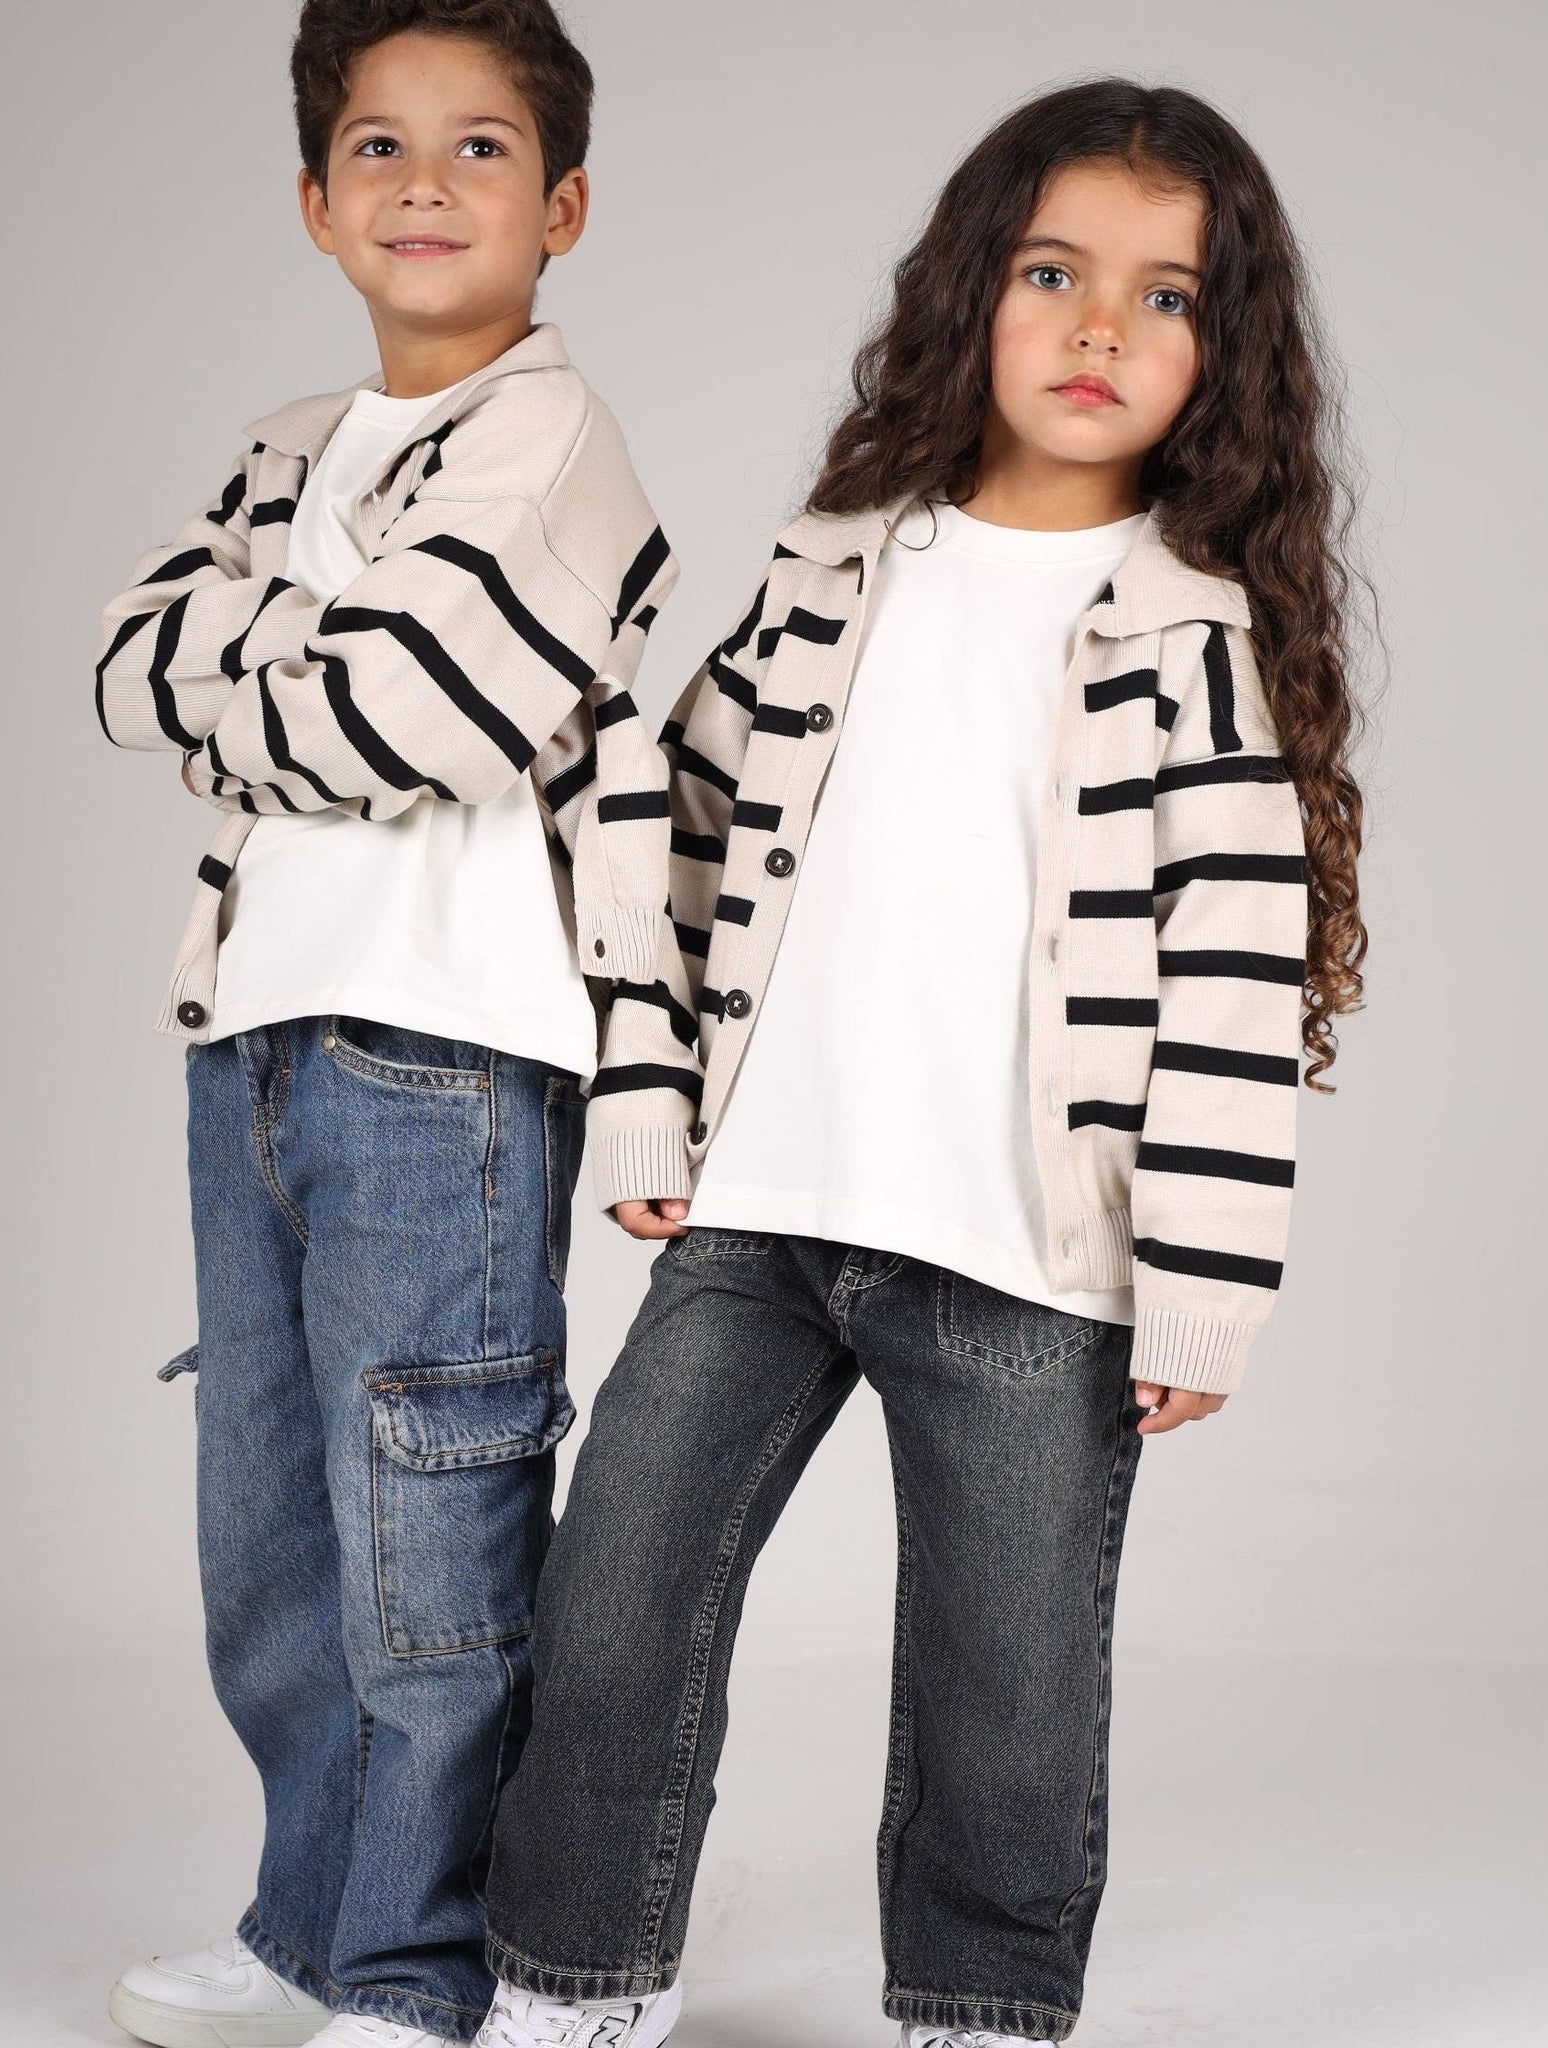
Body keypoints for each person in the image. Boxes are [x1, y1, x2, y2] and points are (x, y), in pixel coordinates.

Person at [473, 79, 1369, 2048]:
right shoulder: (833, 563)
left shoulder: (1197, 642)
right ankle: (566, 1983)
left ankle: (972, 2009)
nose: (1096, 327)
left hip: (1034, 1272)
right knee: (612, 1617)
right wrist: (649, 1103)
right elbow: (677, 852)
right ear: (971, 294)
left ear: (1222, 361)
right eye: (1051, 273)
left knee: (1005, 1685)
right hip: (757, 1216)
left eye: (1164, 296)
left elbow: (1230, 985)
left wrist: (1199, 1295)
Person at [91, 4, 679, 2043]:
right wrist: (307, 656)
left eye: (482, 148)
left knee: (430, 1530)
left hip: (446, 1052)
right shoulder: (286, 446)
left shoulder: (554, 441)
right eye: (379, 148)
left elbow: (405, 708)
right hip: (250, 1034)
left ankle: (424, 1968)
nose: (426, 184)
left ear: (564, 202)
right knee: (269, 1535)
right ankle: (311, 1919)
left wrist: (276, 661)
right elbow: (121, 667)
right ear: (318, 203)